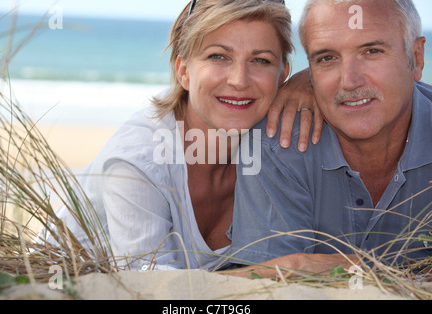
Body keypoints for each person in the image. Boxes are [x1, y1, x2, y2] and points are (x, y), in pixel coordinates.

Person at [41, 0, 320, 271]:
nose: (239, 80)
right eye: (218, 56)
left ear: (283, 75)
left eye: (260, 60)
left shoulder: (276, 141)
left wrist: (311, 79)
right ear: (183, 71)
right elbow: (150, 290)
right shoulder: (139, 162)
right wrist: (287, 267)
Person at [229, 0, 431, 278]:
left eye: (372, 51)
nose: (349, 81)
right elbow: (269, 285)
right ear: (310, 70)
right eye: (327, 58)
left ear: (416, 57)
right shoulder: (275, 145)